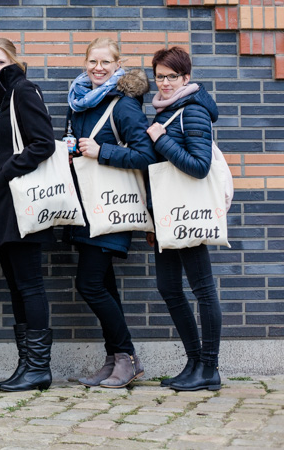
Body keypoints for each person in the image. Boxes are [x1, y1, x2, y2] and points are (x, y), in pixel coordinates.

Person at [65, 38, 155, 388]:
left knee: (89, 283)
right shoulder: (79, 103)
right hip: (86, 206)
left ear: (118, 65)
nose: (97, 68)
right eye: (92, 61)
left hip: (111, 206)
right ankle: (114, 358)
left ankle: (127, 357)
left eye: (105, 62)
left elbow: (146, 155)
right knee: (104, 285)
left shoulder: (124, 105)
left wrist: (102, 152)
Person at [0, 38, 56, 392]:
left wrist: (4, 172)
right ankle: (28, 365)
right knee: (17, 287)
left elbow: (44, 143)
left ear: (14, 62)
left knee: (29, 285)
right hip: (3, 208)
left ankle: (38, 368)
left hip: (22, 206)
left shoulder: (22, 91)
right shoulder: (0, 97)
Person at [146, 46, 224, 392]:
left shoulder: (191, 111)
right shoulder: (166, 110)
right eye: (159, 76)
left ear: (185, 78)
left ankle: (209, 367)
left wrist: (161, 140)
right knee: (168, 287)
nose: (164, 83)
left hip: (187, 212)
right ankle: (193, 362)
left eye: (171, 77)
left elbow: (198, 166)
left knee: (203, 289)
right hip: (166, 215)